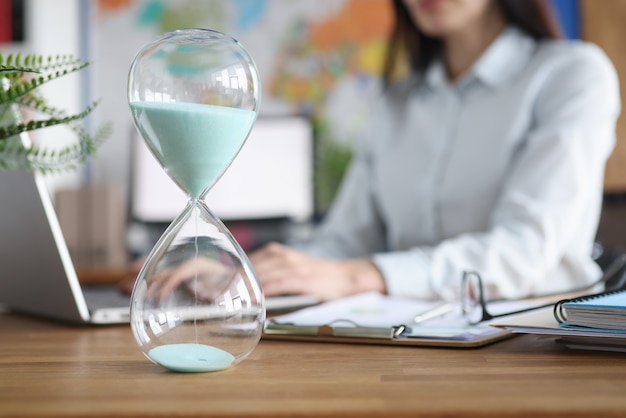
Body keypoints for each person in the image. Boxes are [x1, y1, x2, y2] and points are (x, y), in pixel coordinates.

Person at [248, 0, 621, 303]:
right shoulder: (396, 101)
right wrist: (250, 275)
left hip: (536, 339)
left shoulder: (571, 75)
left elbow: (523, 252)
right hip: (406, 335)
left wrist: (367, 275)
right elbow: (347, 240)